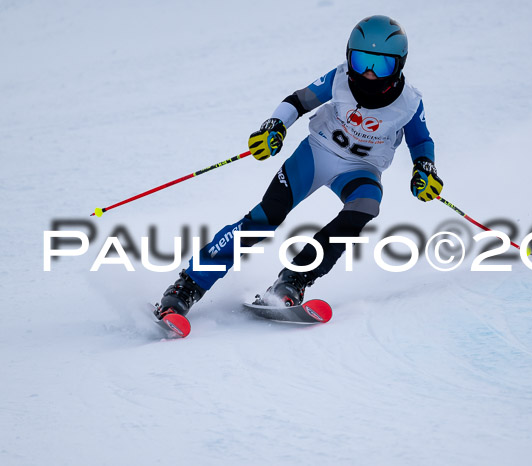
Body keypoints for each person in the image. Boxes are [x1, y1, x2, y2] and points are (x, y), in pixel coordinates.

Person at [155, 14, 443, 319]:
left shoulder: (409, 103)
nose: (369, 74)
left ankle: (292, 281)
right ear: (349, 57)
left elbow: (421, 141)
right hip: (317, 153)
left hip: (361, 169)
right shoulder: (340, 77)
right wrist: (274, 126)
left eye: (381, 65)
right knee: (266, 217)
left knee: (366, 206)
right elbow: (298, 101)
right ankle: (186, 287)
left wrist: (424, 169)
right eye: (361, 61)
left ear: (399, 65)